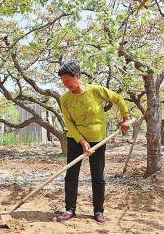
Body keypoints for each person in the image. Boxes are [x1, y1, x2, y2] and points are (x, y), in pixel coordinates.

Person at [56, 61, 130, 223]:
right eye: (63, 81)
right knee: (71, 175)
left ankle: (98, 211)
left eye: (68, 80)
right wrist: (82, 142)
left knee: (98, 176)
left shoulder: (95, 91)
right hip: (76, 139)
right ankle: (70, 209)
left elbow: (118, 98)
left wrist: (126, 118)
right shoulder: (65, 99)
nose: (66, 84)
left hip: (98, 140)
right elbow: (69, 123)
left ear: (78, 77)